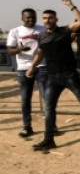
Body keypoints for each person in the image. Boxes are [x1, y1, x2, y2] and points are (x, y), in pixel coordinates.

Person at [26, 0, 80, 151]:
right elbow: (40, 53)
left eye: (50, 18)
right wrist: (32, 66)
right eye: (45, 18)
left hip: (70, 75)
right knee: (49, 108)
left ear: (56, 19)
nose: (47, 20)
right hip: (52, 78)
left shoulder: (65, 31)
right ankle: (49, 139)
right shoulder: (42, 37)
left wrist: (71, 6)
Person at [8, 8, 47, 138]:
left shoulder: (43, 29)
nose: (31, 20)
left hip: (41, 66)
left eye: (33, 17)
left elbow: (50, 44)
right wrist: (20, 48)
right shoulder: (15, 31)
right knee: (25, 99)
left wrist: (41, 39)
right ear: (22, 18)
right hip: (23, 67)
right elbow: (10, 50)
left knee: (47, 98)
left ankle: (51, 126)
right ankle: (27, 127)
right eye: (28, 17)